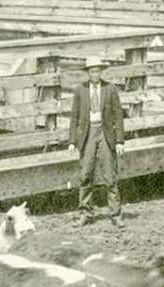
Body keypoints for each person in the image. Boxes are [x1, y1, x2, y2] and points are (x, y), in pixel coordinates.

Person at [68, 56, 127, 228]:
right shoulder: (80, 90)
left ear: (101, 72)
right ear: (87, 72)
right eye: (92, 71)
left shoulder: (110, 89)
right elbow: (74, 117)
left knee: (110, 174)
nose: (95, 74)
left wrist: (119, 141)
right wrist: (72, 141)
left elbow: (118, 116)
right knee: (86, 174)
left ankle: (115, 214)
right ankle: (85, 213)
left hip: (105, 133)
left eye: (97, 71)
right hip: (87, 134)